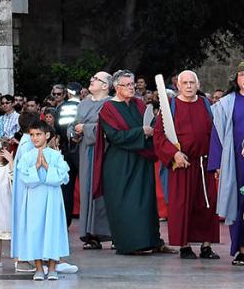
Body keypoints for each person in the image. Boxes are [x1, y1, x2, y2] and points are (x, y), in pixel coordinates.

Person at [94, 70, 162, 255]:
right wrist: (142, 132)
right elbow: (115, 136)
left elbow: (152, 124)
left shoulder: (139, 104)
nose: (132, 88)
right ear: (117, 87)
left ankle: (151, 241)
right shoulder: (108, 108)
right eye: (127, 85)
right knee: (126, 203)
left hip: (142, 159)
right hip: (120, 163)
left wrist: (152, 128)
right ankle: (130, 244)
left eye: (132, 84)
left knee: (146, 201)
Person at [153, 70, 219, 259]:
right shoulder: (171, 107)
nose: (189, 86)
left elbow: (215, 134)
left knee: (207, 204)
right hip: (182, 164)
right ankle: (184, 246)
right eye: (185, 83)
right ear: (178, 86)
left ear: (197, 85)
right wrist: (174, 154)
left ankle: (206, 246)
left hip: (204, 164)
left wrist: (216, 161)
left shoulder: (206, 105)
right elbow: (159, 136)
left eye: (192, 82)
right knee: (182, 205)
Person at [11, 114, 70, 280]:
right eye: (32, 135)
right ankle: (38, 268)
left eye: (38, 134)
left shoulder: (56, 156)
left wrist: (47, 167)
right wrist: (36, 168)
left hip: (52, 198)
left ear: (47, 135)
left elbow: (63, 178)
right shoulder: (27, 156)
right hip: (34, 199)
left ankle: (52, 268)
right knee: (35, 230)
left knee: (52, 229)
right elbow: (24, 179)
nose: (35, 138)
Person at [211, 62, 244, 265]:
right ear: (236, 79)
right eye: (242, 74)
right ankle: (241, 249)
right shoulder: (226, 104)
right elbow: (216, 134)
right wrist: (218, 164)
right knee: (238, 203)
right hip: (237, 164)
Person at [75, 72, 113, 249]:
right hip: (85, 151)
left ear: (105, 86)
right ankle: (89, 234)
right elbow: (74, 123)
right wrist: (73, 132)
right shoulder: (83, 104)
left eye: (96, 79)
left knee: (103, 190)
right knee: (86, 190)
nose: (91, 80)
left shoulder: (111, 104)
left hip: (103, 152)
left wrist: (86, 128)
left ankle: (109, 232)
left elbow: (109, 127)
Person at [55, 82, 82, 222]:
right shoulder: (84, 106)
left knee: (67, 186)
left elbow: (57, 129)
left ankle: (65, 221)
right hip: (82, 149)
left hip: (66, 150)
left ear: (69, 93)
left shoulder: (61, 108)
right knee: (86, 187)